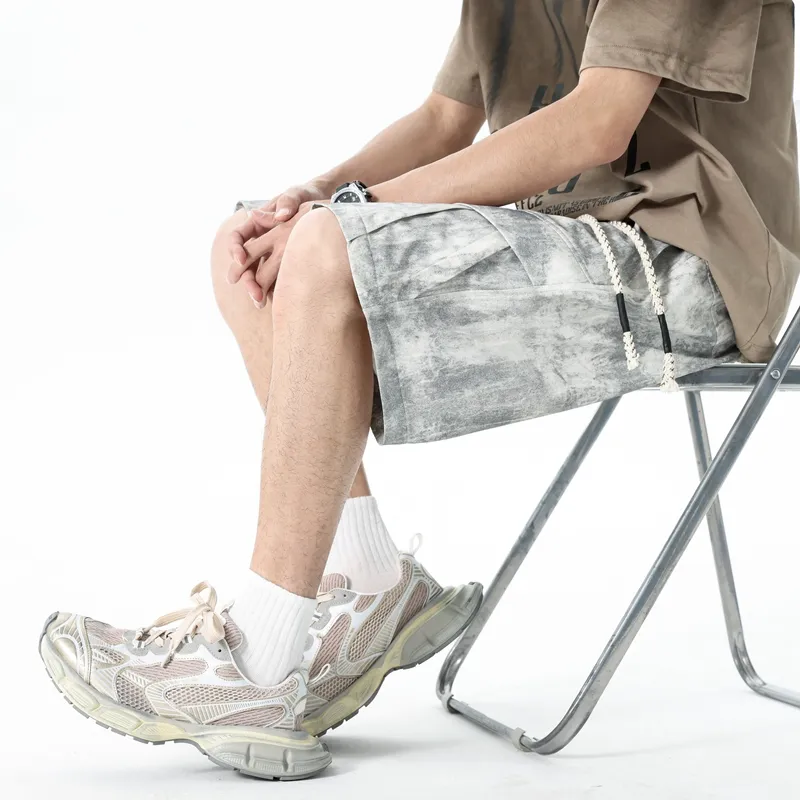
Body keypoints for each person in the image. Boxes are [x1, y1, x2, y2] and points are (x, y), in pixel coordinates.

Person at [39, 0, 797, 781]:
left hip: (696, 264)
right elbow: (443, 119)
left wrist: (347, 214)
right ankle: (369, 580)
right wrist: (312, 193)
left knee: (325, 245)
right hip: (584, 231)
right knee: (253, 249)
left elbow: (598, 123)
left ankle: (257, 665)